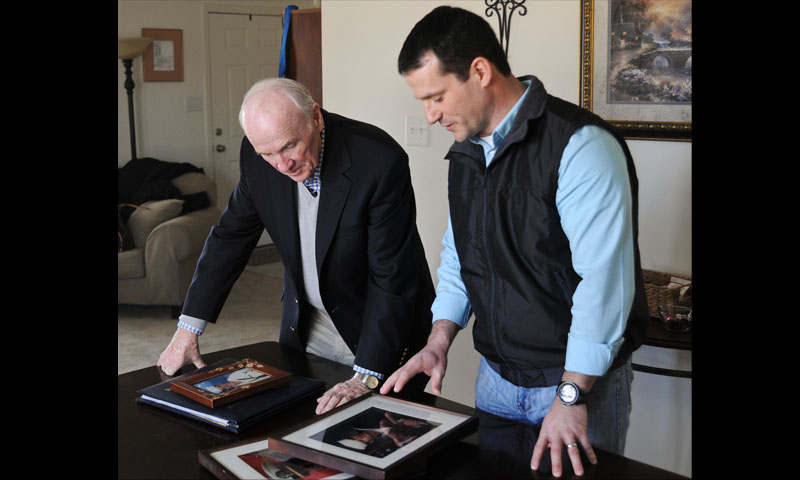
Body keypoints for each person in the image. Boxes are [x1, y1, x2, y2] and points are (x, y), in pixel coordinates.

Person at [380, 6, 650, 478]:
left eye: (437, 96)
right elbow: (460, 254)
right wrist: (439, 338)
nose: (430, 114)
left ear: (480, 71)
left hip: (573, 387)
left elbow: (604, 282)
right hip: (497, 380)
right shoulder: (464, 150)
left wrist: (571, 395)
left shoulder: (581, 145)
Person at [157, 78, 435, 414]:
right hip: (307, 321)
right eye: (268, 153)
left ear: (315, 117)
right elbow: (230, 238)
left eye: (290, 146)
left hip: (378, 324)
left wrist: (366, 377)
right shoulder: (257, 155)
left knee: (377, 435)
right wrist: (187, 328)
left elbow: (391, 277)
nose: (281, 165)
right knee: (298, 427)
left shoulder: (378, 160)